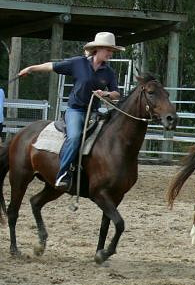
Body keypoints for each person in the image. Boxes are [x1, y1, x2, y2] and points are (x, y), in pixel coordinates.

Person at [18, 31, 123, 190]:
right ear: (98, 49)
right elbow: (52, 66)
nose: (110, 54)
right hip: (75, 110)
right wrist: (31, 68)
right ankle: (63, 172)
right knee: (74, 137)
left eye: (111, 51)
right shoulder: (78, 63)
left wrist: (106, 93)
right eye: (108, 50)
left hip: (94, 112)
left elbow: (116, 93)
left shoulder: (109, 72)